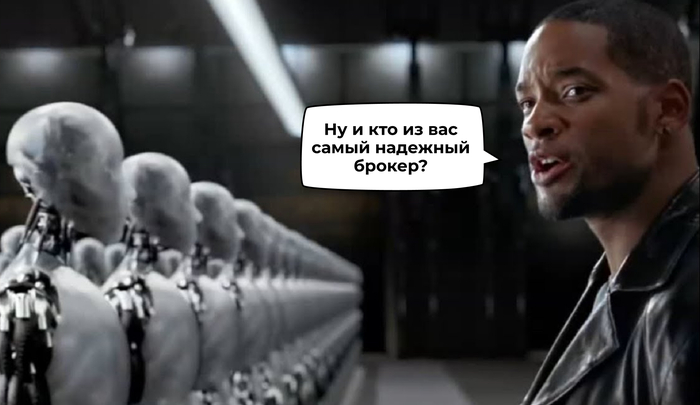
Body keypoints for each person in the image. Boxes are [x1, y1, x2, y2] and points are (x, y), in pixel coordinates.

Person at [514, 0, 699, 404]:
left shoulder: (685, 308)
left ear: (669, 109)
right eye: (528, 103)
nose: (534, 124)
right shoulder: (625, 280)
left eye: (574, 92)